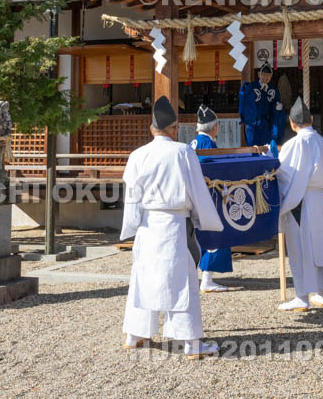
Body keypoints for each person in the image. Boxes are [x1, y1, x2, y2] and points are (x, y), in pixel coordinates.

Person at [121, 96, 223, 359]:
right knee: (182, 283)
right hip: (175, 224)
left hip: (146, 224)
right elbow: (198, 191)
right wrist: (204, 221)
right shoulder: (182, 152)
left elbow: (131, 196)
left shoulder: (137, 156)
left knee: (143, 278)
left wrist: (132, 225)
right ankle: (191, 342)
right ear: (174, 128)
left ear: (151, 128)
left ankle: (135, 334)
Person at [276, 97, 323, 311]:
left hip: (300, 200)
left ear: (292, 123)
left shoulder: (295, 143)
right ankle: (321, 292)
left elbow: (285, 173)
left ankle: (302, 296)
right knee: (318, 244)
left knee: (300, 248)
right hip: (317, 197)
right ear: (310, 119)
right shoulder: (321, 140)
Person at [188, 104, 232, 293]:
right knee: (215, 235)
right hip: (210, 196)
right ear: (213, 127)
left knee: (200, 235)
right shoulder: (208, 144)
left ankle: (201, 274)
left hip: (194, 197)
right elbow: (215, 172)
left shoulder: (192, 144)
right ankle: (207, 278)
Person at [238, 63, 284, 146]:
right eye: (263, 74)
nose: (266, 77)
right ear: (259, 74)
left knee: (266, 146)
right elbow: (246, 104)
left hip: (265, 123)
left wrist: (277, 108)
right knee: (252, 147)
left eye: (269, 75)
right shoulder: (251, 87)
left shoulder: (273, 89)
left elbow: (275, 105)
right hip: (253, 123)